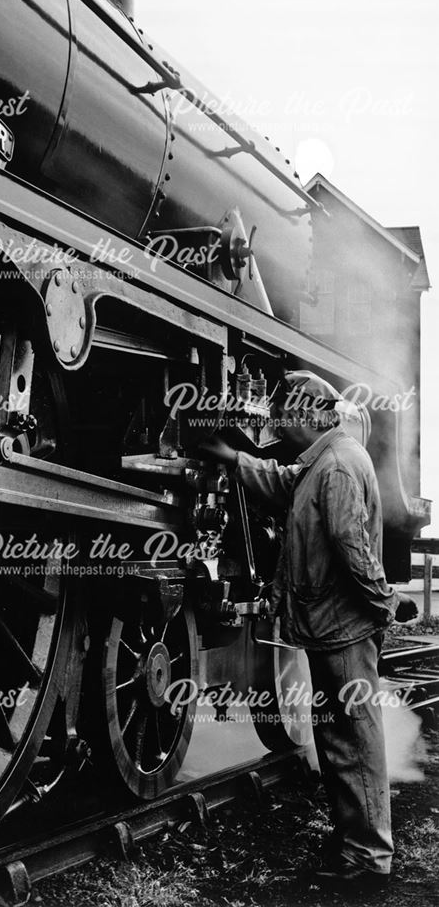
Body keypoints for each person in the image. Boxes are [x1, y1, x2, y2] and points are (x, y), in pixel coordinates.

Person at [199, 370, 418, 890]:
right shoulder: (325, 459)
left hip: (343, 628)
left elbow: (353, 551)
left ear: (307, 416)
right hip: (332, 626)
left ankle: (367, 857)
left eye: (281, 416)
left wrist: (387, 602)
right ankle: (356, 841)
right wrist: (235, 459)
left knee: (351, 742)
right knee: (341, 737)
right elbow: (283, 482)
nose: (275, 425)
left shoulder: (338, 466)